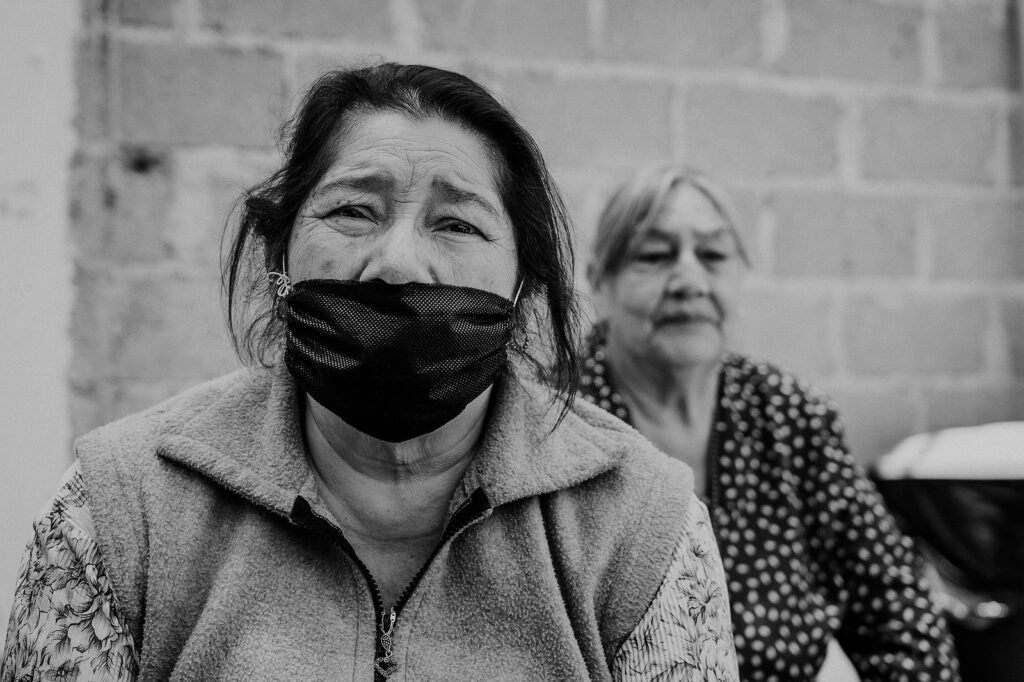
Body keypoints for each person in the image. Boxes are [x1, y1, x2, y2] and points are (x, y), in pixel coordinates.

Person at [1, 65, 738, 681]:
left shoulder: (642, 522)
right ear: (280, 257)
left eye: (457, 223)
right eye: (354, 210)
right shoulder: (124, 507)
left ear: (523, 289)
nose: (397, 262)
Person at [579, 165, 960, 681]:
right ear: (601, 279)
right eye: (654, 255)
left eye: (713, 256)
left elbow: (901, 613)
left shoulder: (788, 415)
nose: (690, 281)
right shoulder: (561, 418)